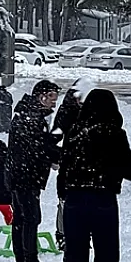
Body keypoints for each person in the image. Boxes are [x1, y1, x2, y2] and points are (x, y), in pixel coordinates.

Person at [57, 88, 131, 262]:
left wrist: (63, 191)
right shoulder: (114, 133)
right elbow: (126, 167)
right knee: (106, 244)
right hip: (103, 196)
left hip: (75, 194)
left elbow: (64, 164)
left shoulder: (75, 131)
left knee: (75, 243)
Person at [6, 79, 61, 262]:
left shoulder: (28, 113)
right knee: (30, 218)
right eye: (52, 98)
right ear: (42, 96)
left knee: (22, 219)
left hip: (19, 174)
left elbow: (41, 145)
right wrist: (60, 156)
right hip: (25, 176)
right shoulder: (31, 117)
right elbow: (39, 147)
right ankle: (29, 261)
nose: (54, 103)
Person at [50, 83, 84, 252]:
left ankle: (82, 233)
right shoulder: (66, 111)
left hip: (88, 163)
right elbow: (55, 135)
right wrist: (57, 156)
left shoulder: (92, 110)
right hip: (70, 162)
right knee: (65, 200)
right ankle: (62, 235)